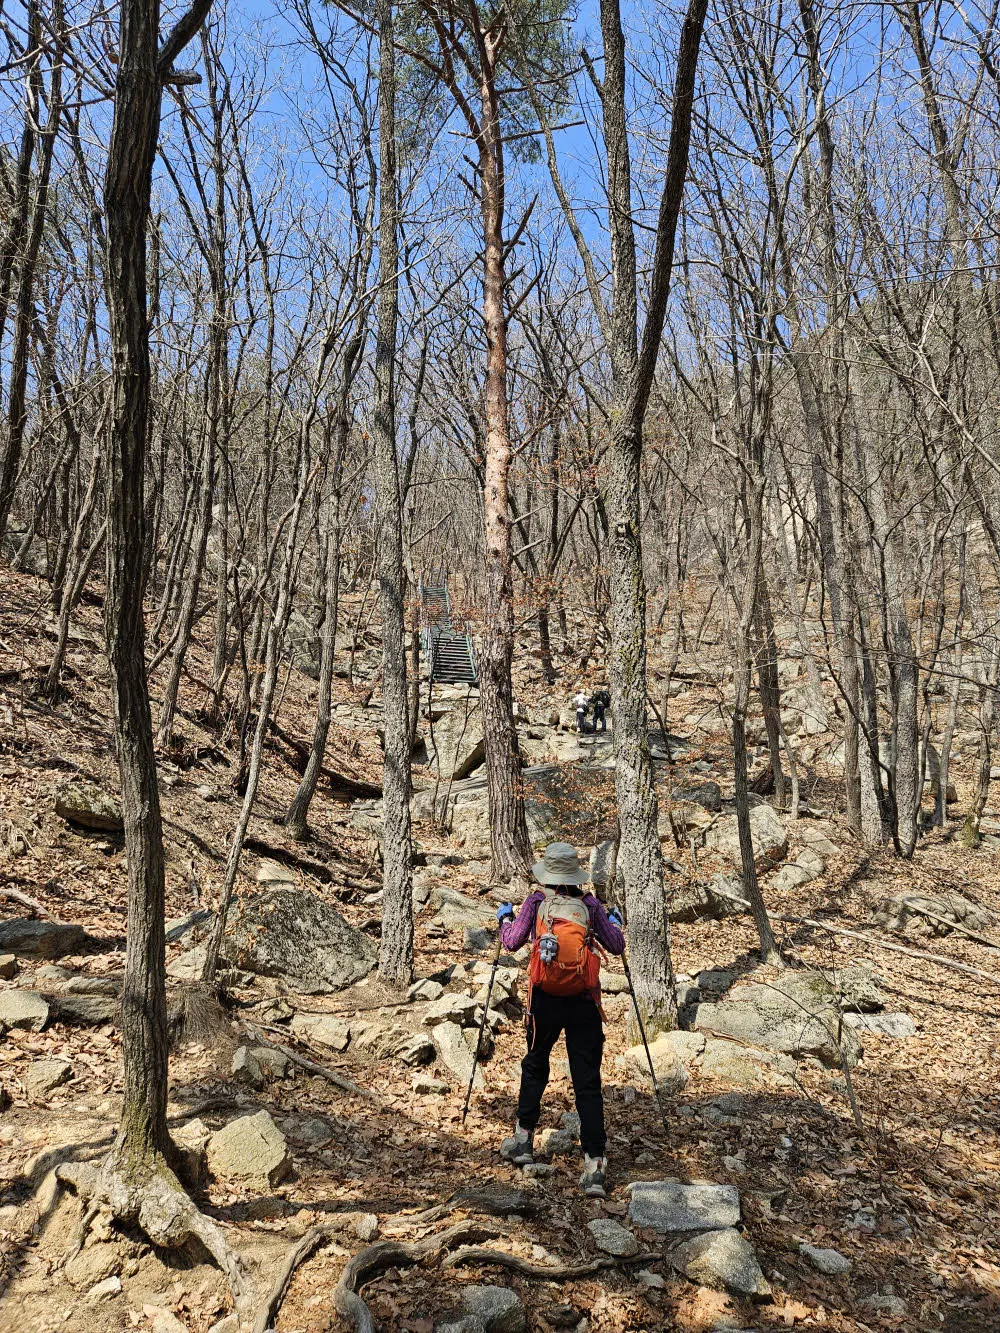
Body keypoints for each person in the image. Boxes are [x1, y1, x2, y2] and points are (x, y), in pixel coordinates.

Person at [495, 842, 625, 1198]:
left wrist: (505, 916)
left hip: (545, 1003)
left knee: (535, 1064)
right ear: (575, 874)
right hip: (584, 1003)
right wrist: (613, 922)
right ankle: (594, 1164)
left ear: (548, 874)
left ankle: (523, 1142)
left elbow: (511, 941)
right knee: (587, 1081)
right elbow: (616, 945)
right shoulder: (589, 905)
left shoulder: (537, 903)